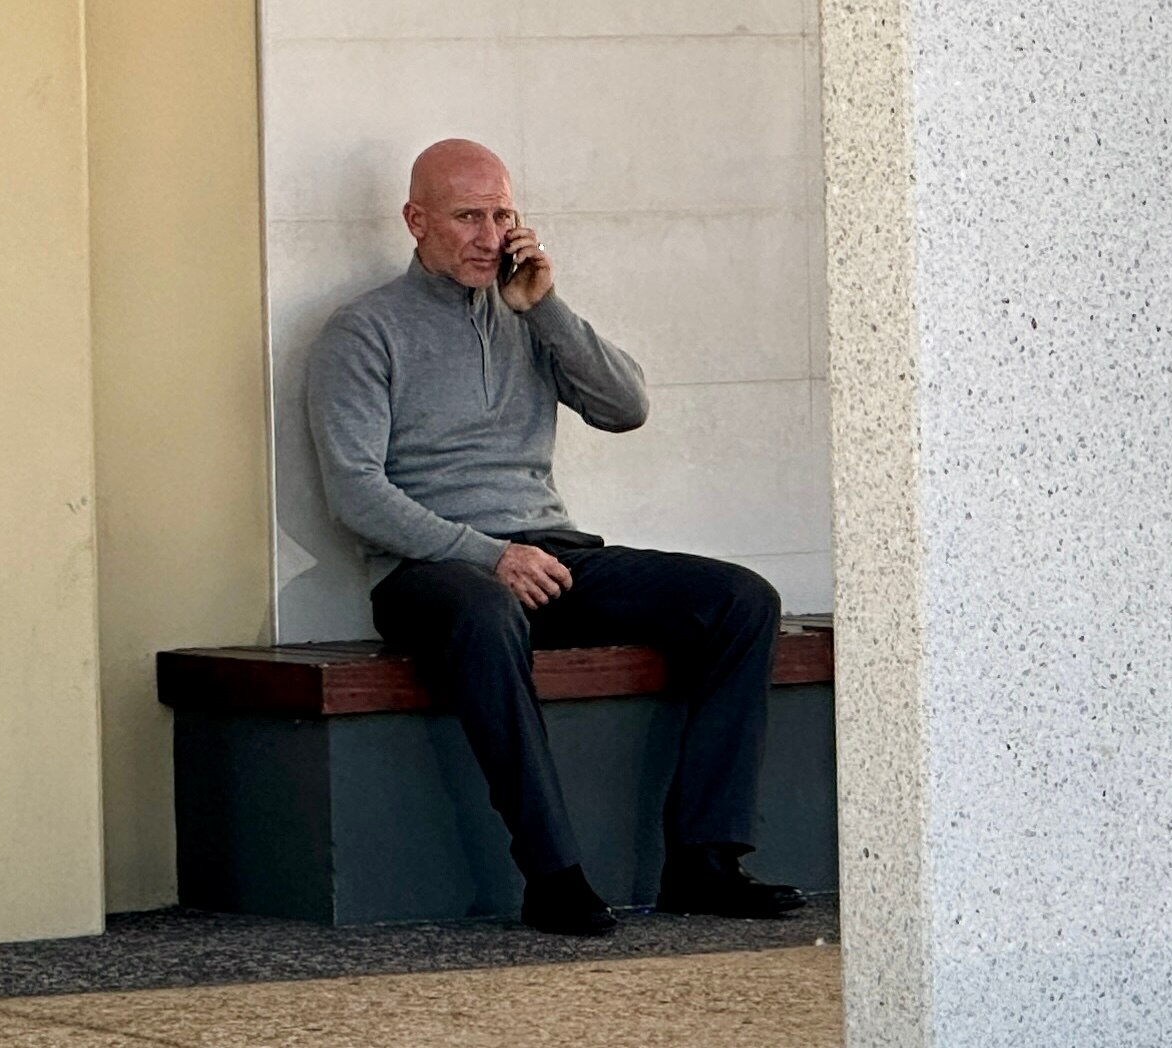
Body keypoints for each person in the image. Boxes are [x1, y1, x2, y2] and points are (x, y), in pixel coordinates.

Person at [306, 138, 804, 936]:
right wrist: (489, 555)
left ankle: (705, 858)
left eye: (502, 215)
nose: (489, 236)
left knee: (741, 600)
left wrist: (544, 308)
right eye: (468, 217)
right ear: (416, 220)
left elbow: (625, 407)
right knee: (487, 610)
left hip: (549, 554)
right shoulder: (363, 331)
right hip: (431, 573)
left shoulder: (528, 316)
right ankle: (554, 875)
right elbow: (356, 494)